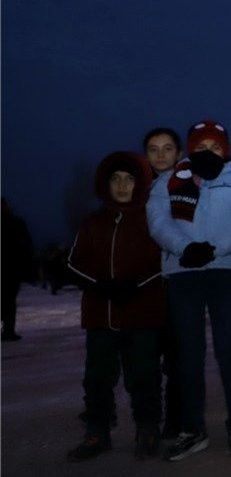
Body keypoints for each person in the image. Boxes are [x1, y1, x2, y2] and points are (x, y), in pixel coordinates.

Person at [146, 120, 231, 461]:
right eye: (200, 147)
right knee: (188, 353)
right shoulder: (169, 181)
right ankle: (192, 428)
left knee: (228, 350)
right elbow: (158, 221)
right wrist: (186, 248)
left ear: (224, 150)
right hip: (183, 273)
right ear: (190, 150)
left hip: (223, 270)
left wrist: (215, 247)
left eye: (214, 147)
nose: (207, 153)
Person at [65, 152, 165, 461]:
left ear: (140, 184)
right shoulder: (93, 222)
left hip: (142, 313)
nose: (122, 186)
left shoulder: (152, 220)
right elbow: (73, 262)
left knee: (144, 375)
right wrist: (100, 284)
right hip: (101, 315)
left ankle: (147, 429)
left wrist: (136, 285)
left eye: (129, 179)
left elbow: (165, 261)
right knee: (98, 377)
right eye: (115, 179)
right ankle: (97, 431)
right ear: (105, 184)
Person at [140, 127, 184, 439]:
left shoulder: (188, 186)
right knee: (144, 362)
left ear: (179, 153)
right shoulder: (138, 189)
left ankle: (175, 421)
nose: (160, 155)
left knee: (177, 359)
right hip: (144, 289)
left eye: (167, 148)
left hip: (176, 283)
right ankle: (149, 423)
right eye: (153, 149)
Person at [1, 198, 34, 342]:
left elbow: (26, 246)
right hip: (12, 269)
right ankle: (8, 330)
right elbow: (26, 246)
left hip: (10, 268)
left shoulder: (16, 223)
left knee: (7, 300)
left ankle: (8, 330)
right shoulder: (16, 223)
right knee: (9, 300)